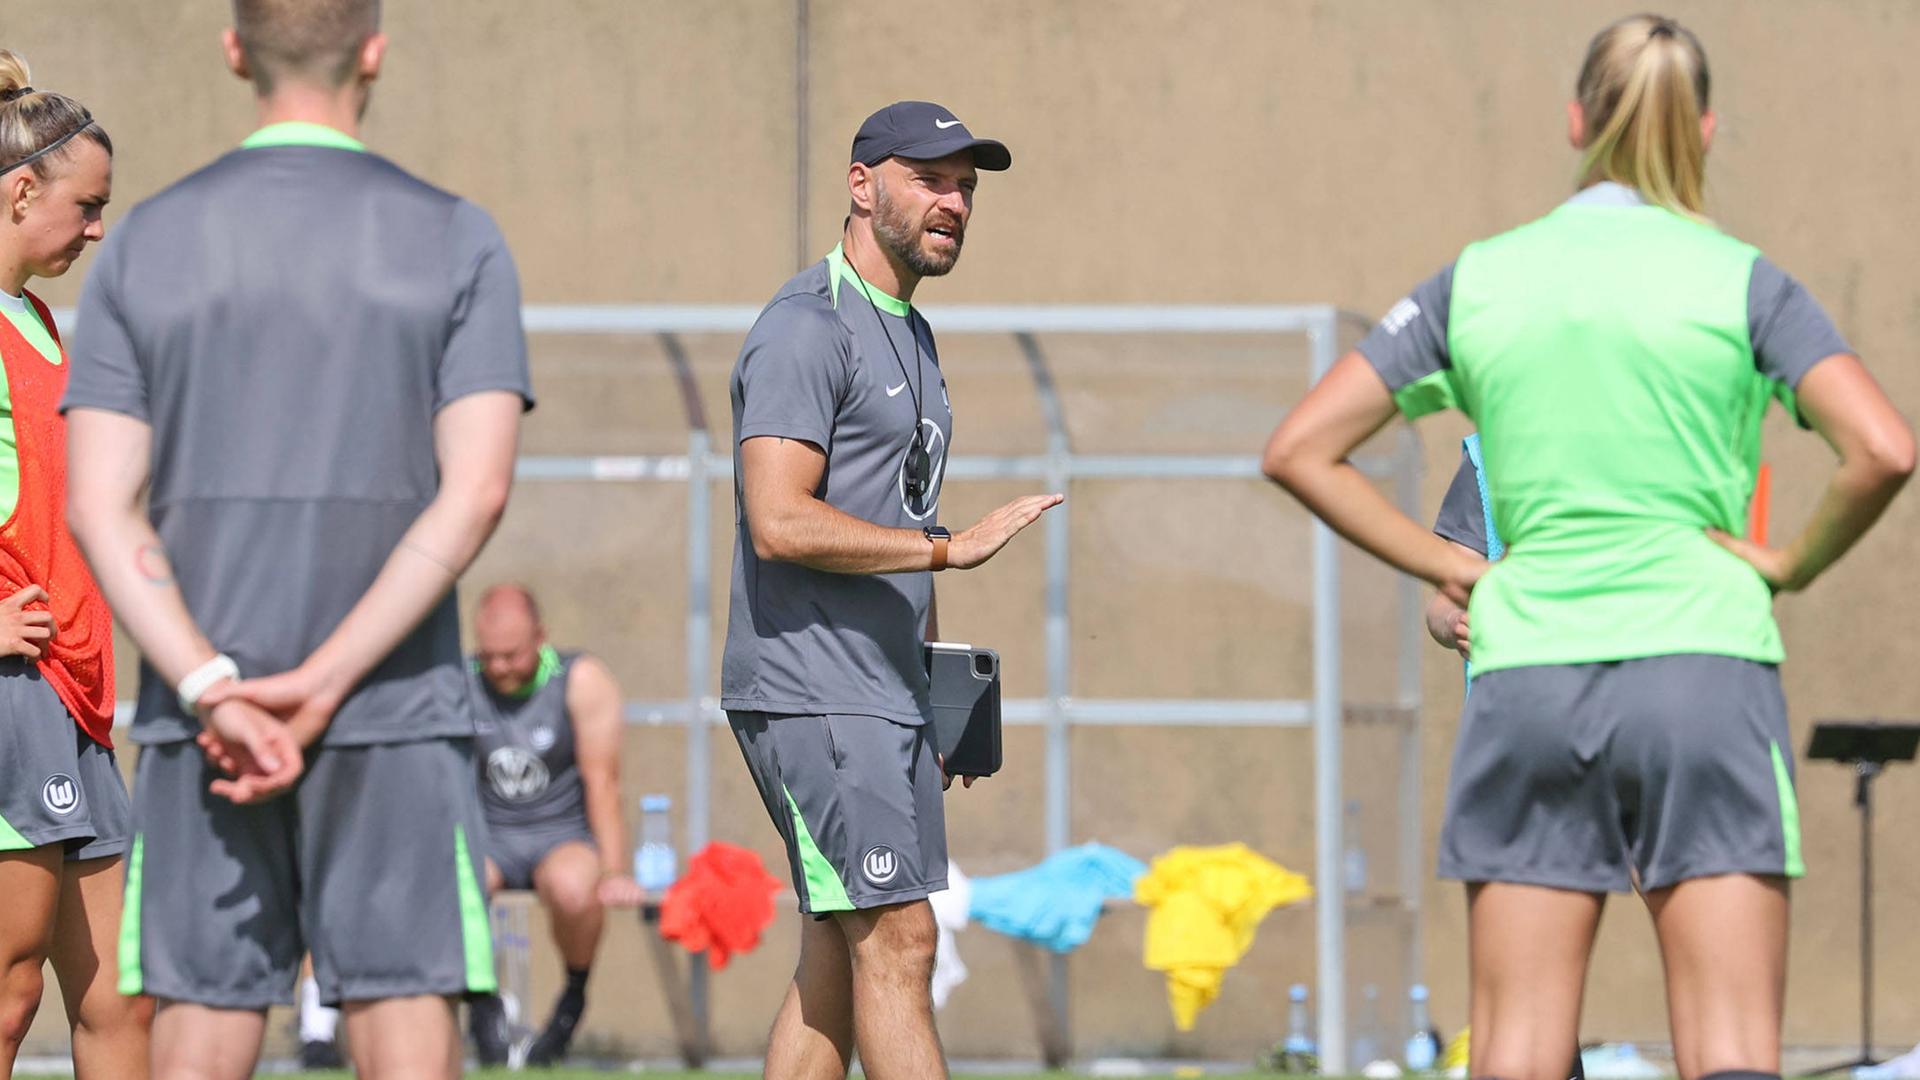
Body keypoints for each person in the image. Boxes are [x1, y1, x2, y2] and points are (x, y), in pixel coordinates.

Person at [1263, 14, 1913, 1080]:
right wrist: (1793, 563)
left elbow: (1299, 449)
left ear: (1576, 121)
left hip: (1529, 672)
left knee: (1518, 1051)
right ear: (1704, 130)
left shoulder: (1477, 279)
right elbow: (1883, 450)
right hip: (1706, 667)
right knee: (1733, 1050)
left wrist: (1454, 566)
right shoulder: (1746, 281)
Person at [62, 1, 533, 1077]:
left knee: (201, 1013)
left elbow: (98, 504)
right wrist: (326, 681)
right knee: (404, 1004)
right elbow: (477, 490)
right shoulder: (457, 236)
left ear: (235, 53)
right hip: (394, 712)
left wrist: (215, 689)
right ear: (374, 52)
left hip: (203, 727)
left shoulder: (145, 243)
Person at [725, 100, 1059, 1080]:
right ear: (862, 186)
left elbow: (903, 518)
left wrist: (938, 691)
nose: (953, 202)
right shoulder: (804, 328)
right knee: (901, 941)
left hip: (885, 695)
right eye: (930, 179)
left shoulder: (913, 335)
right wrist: (948, 553)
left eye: (966, 187)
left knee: (838, 954)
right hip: (813, 688)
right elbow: (779, 519)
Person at [0, 51, 149, 1080]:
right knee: (9, 990)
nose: (97, 230)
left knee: (122, 999)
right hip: (13, 691)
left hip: (74, 697)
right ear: (20, 192)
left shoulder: (39, 320)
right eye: (87, 206)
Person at [462, 583, 640, 1068]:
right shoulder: (459, 683)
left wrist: (615, 870)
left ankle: (572, 996)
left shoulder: (581, 680)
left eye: (512, 655)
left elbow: (604, 782)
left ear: (540, 637)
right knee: (458, 884)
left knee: (572, 889)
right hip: (490, 836)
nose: (499, 667)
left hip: (561, 835)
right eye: (488, 656)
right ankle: (481, 1002)